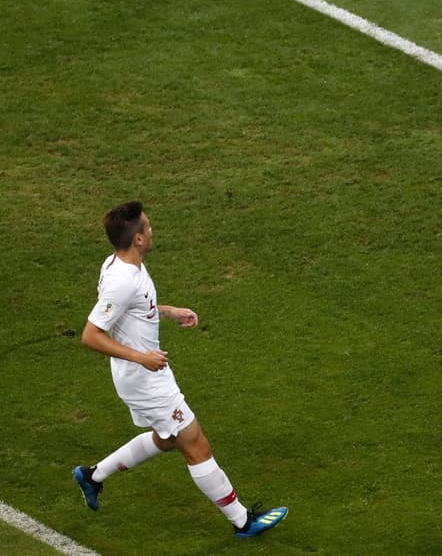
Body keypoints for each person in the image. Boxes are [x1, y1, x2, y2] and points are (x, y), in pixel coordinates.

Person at [72, 201, 287, 538]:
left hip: (144, 373)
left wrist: (167, 311)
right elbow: (90, 335)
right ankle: (242, 521)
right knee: (196, 445)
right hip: (145, 379)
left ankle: (92, 475)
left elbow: (133, 310)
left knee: (168, 439)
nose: (151, 229)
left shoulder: (121, 263)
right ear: (138, 239)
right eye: (147, 226)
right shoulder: (121, 280)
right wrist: (141, 357)